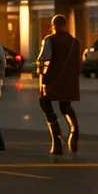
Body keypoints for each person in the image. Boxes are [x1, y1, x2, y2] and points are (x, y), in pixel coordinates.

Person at [38, 14, 82, 155]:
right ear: (65, 25)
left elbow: (44, 58)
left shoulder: (49, 40)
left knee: (45, 103)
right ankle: (75, 131)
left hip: (52, 79)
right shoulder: (74, 42)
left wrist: (41, 73)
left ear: (53, 26)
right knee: (66, 106)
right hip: (69, 80)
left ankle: (57, 141)